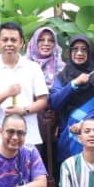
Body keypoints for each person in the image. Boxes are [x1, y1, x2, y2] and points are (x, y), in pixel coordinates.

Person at [0, 21, 49, 150]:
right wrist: (6, 94)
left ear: (21, 43)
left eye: (13, 40)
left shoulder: (33, 68)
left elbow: (43, 100)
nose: (9, 44)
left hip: (29, 139)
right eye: (5, 40)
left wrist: (24, 110)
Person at [49, 34, 94, 164]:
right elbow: (54, 102)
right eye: (75, 49)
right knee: (73, 172)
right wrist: (73, 84)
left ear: (90, 52)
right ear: (70, 52)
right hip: (70, 135)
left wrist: (84, 123)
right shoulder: (62, 76)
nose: (79, 53)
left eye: (84, 49)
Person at [26, 25, 64, 175]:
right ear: (34, 42)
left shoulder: (63, 68)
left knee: (52, 166)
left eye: (50, 40)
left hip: (54, 124)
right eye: (41, 40)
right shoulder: (24, 66)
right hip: (29, 120)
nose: (46, 43)